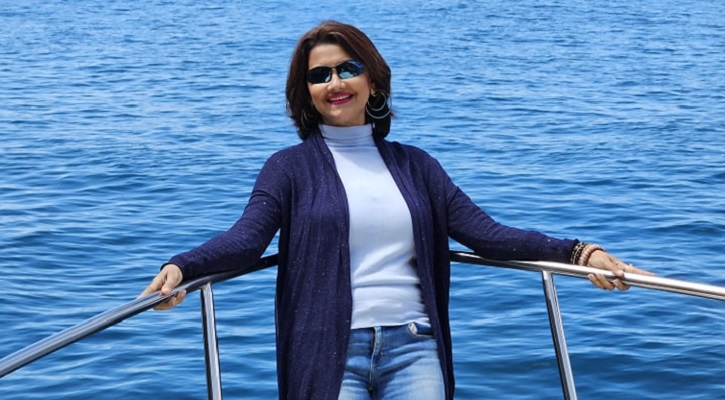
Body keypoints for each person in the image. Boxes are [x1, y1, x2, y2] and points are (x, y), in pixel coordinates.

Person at [141, 20, 654, 400]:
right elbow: (247, 239)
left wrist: (578, 252)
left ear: (373, 80)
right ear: (307, 92)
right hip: (328, 350)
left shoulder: (417, 166)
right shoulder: (288, 169)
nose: (335, 82)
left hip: (415, 349)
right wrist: (183, 267)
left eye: (348, 68)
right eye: (320, 75)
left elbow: (486, 234)